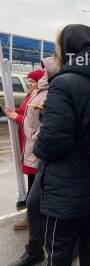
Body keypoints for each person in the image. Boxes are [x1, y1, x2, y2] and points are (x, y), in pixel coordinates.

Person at [31, 24, 90, 266]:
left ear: (68, 47)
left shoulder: (64, 83)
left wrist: (39, 148)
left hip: (66, 186)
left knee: (59, 249)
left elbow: (53, 140)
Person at [6, 57, 60, 266]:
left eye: (45, 69)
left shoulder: (60, 89)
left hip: (52, 156)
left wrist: (35, 135)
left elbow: (49, 124)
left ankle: (61, 248)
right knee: (36, 200)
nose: (41, 73)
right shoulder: (43, 91)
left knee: (56, 207)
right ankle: (36, 248)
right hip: (41, 153)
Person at [4, 69, 44, 230]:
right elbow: (24, 113)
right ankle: (33, 213)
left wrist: (17, 117)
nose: (29, 86)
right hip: (27, 144)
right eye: (28, 83)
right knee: (32, 180)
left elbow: (34, 123)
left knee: (35, 182)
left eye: (32, 83)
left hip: (34, 144)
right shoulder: (31, 96)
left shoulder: (42, 98)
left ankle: (32, 217)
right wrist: (13, 113)